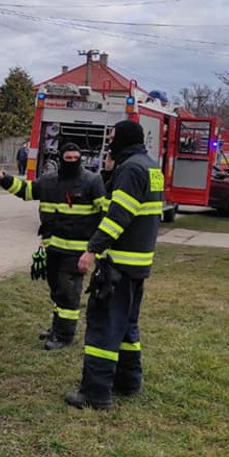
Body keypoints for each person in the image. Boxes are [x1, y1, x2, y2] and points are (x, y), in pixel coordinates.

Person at [67, 120, 164, 409]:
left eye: (112, 138)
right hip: (138, 263)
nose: (109, 143)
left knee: (104, 326)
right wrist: (111, 174)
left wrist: (92, 250)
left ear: (122, 139)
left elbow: (118, 216)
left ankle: (96, 393)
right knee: (126, 325)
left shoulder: (131, 169)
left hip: (119, 266)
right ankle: (129, 380)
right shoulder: (149, 166)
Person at [0, 143, 106, 350]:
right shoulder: (48, 181)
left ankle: (65, 336)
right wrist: (3, 178)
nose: (72, 162)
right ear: (61, 158)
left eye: (76, 158)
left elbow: (106, 213)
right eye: (68, 158)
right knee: (57, 290)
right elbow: (26, 191)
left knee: (68, 292)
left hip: (77, 251)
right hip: (52, 248)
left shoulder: (92, 181)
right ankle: (56, 328)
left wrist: (95, 250)